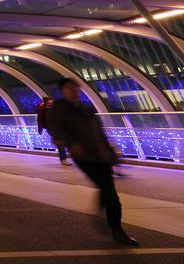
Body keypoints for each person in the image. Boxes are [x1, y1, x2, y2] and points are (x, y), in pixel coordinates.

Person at [46, 78, 138, 247]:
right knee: (109, 192)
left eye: (75, 87)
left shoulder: (86, 108)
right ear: (63, 91)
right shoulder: (59, 108)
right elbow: (54, 127)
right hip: (83, 156)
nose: (74, 90)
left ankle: (104, 219)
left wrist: (110, 151)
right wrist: (72, 143)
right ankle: (117, 230)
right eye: (69, 88)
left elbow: (99, 132)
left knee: (107, 189)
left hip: (100, 154)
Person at [38, 96, 71, 165]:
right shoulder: (42, 110)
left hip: (59, 128)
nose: (51, 103)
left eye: (51, 102)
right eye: (49, 102)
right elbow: (39, 119)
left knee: (64, 141)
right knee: (60, 143)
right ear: (46, 103)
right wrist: (40, 129)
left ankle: (63, 157)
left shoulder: (56, 109)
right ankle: (63, 159)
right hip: (50, 128)